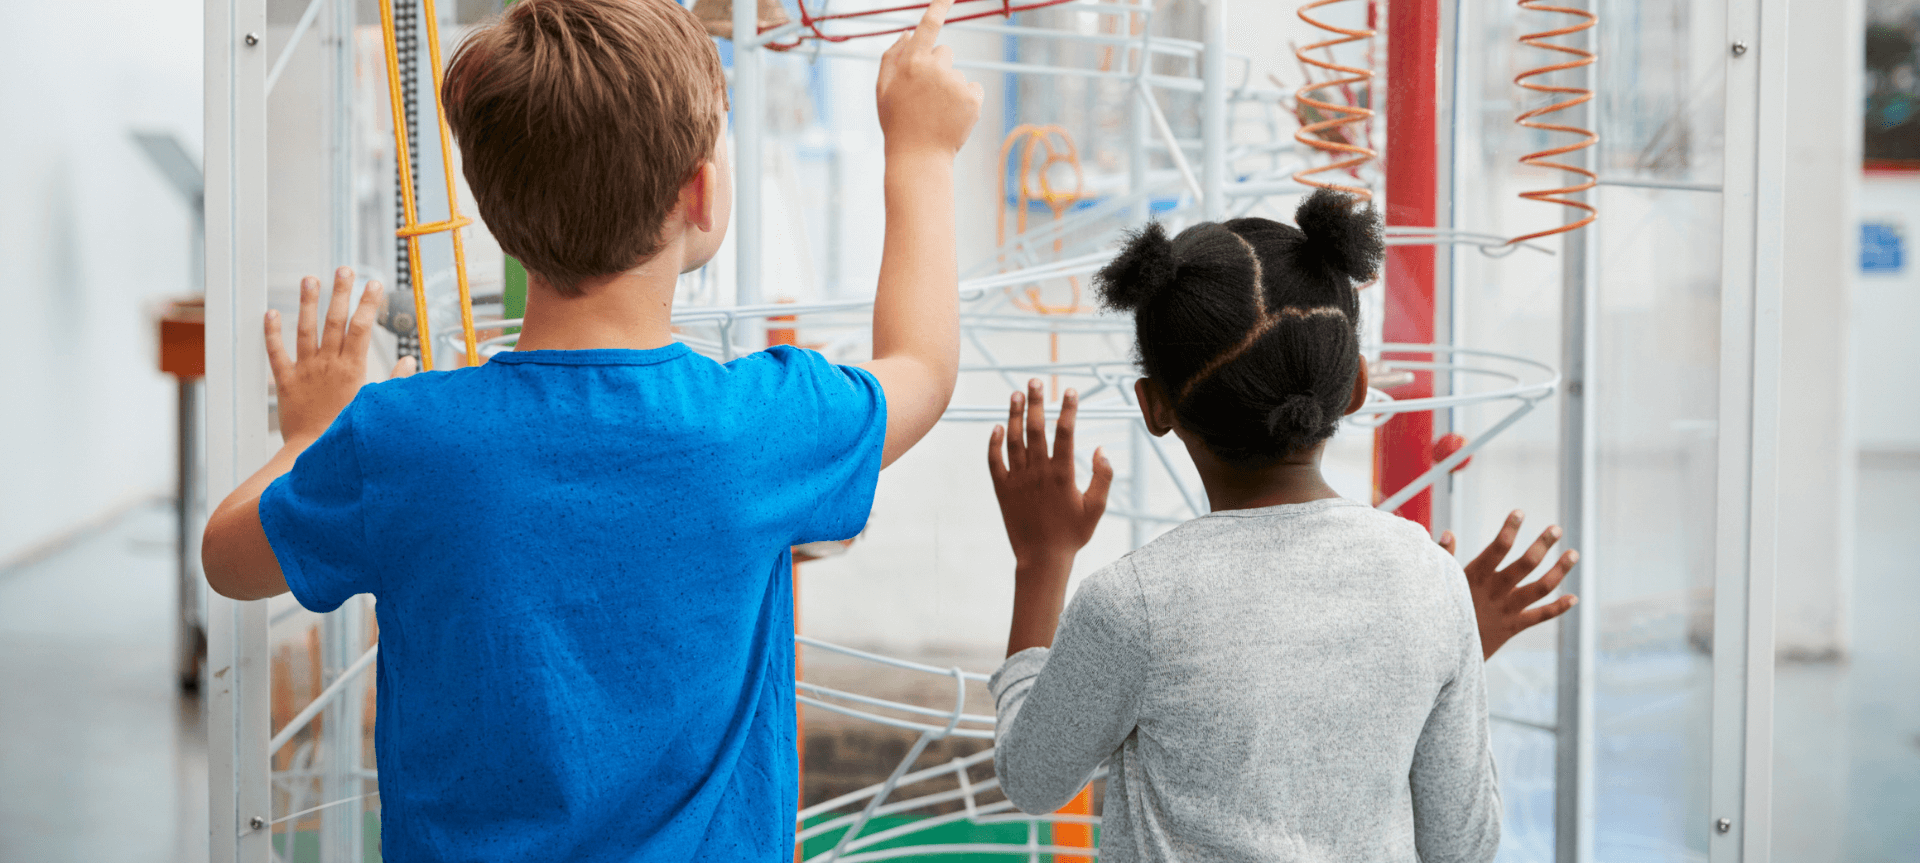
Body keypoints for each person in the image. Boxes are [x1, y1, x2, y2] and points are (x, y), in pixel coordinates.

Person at [199, 0, 981, 859]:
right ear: (702, 191)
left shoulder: (402, 440)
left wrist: (310, 431)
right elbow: (921, 367)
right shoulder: (757, 430)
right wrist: (921, 148)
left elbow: (227, 558)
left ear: (495, 208)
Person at [983, 189, 1580, 862]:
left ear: (1154, 406)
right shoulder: (1434, 587)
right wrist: (1453, 643)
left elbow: (1032, 778)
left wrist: (1041, 560)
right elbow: (1461, 847)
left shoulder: (1134, 606)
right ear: (1355, 385)